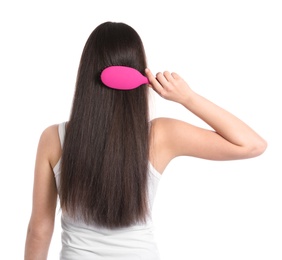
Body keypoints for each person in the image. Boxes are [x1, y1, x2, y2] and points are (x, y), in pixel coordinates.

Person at [24, 21, 267, 260]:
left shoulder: (53, 138)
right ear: (140, 72)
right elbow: (251, 144)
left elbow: (39, 230)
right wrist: (187, 97)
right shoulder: (161, 135)